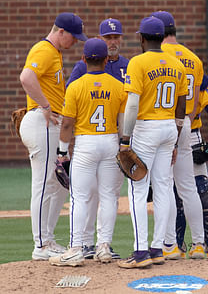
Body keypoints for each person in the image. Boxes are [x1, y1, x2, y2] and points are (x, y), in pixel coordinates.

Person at [48, 38, 128, 266]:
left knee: (80, 197)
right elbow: (122, 122)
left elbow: (66, 124)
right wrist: (124, 144)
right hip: (110, 141)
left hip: (86, 142)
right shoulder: (117, 86)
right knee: (109, 196)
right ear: (105, 60)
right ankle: (104, 246)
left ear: (83, 59)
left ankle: (75, 248)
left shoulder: (75, 86)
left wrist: (62, 152)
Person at [117, 16, 187, 269]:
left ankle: (140, 252)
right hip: (169, 126)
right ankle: (158, 248)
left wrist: (125, 139)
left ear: (142, 38)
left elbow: (133, 104)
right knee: (164, 186)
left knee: (137, 189)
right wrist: (176, 138)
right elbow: (182, 105)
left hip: (146, 127)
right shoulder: (176, 64)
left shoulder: (138, 62)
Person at [19, 12, 87, 261]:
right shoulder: (44, 49)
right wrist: (45, 106)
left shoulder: (54, 53)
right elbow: (26, 77)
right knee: (43, 183)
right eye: (73, 37)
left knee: (58, 183)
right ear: (61, 32)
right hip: (41, 121)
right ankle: (40, 244)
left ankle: (48, 239)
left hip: (51, 124)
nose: (76, 42)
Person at [66, 18, 129, 260]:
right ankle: (91, 244)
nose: (113, 41)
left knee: (90, 196)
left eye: (116, 37)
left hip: (92, 140)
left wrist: (63, 149)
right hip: (109, 138)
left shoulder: (127, 65)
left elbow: (69, 112)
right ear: (102, 44)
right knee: (98, 195)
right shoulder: (84, 70)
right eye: (108, 38)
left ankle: (86, 246)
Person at [150, 11, 206, 259]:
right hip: (187, 124)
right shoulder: (194, 58)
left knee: (164, 186)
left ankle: (170, 245)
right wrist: (187, 124)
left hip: (164, 124)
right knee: (188, 187)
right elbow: (193, 102)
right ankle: (199, 244)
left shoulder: (157, 56)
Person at [175, 74, 208, 258]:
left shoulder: (196, 74)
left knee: (203, 189)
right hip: (165, 134)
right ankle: (176, 243)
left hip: (193, 135)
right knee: (173, 193)